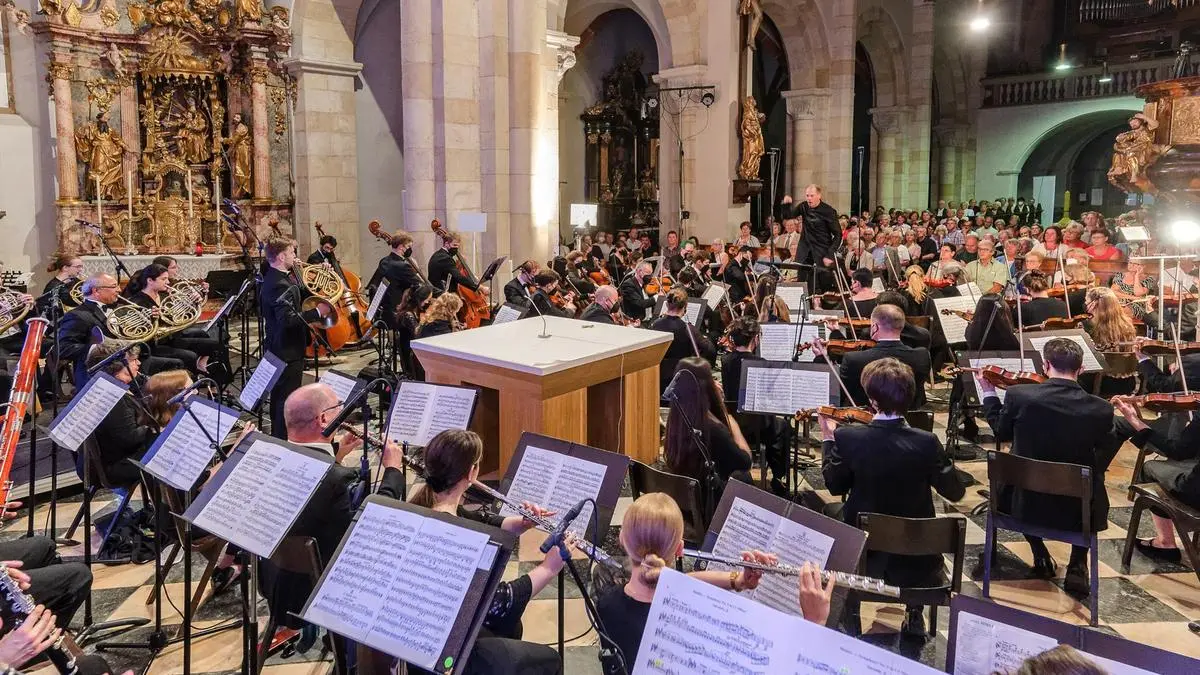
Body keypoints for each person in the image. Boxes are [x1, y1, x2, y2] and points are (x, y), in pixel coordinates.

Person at [594, 492, 832, 672]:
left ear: (622, 539)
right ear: (680, 549)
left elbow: (683, 582)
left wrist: (739, 580)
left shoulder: (606, 604)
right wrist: (815, 623)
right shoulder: (694, 616)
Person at [820, 358, 964, 637]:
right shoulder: (926, 442)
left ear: (872, 401)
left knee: (831, 511)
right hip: (918, 555)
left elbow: (834, 484)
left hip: (866, 555)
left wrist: (828, 439)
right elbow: (955, 491)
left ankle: (848, 611)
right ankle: (915, 610)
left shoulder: (849, 437)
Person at [979, 338, 1122, 597]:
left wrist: (989, 393)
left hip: (1023, 501)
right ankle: (1078, 564)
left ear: (1045, 365)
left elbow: (1001, 430)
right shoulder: (1100, 409)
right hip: (1075, 507)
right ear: (1081, 369)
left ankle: (1040, 554)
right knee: (1092, 477)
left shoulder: (1020, 395)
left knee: (1016, 471)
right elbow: (1105, 450)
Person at [257, 384, 389, 637]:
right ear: (324, 419)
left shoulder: (269, 459)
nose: (343, 412)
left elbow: (309, 500)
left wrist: (336, 456)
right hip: (315, 595)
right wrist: (392, 472)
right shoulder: (337, 480)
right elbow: (362, 538)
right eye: (339, 407)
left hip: (273, 583)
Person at [259, 237, 332, 440]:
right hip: (287, 350)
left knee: (280, 398)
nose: (295, 256)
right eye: (292, 252)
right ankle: (282, 440)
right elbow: (288, 320)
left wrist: (321, 273)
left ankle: (279, 437)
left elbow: (300, 294)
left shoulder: (276, 276)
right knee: (285, 400)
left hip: (280, 347)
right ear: (282, 257)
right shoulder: (279, 284)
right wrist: (317, 312)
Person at [1112, 396, 1200, 563]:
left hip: (1195, 494)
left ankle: (1165, 543)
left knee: (1149, 468)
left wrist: (1135, 421)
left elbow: (1178, 451)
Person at [57, 274, 182, 386]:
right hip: (102, 371)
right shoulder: (77, 315)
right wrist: (102, 348)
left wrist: (150, 320)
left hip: (130, 362)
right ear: (96, 291)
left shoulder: (120, 309)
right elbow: (64, 348)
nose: (119, 290)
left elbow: (134, 335)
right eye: (113, 286)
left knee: (176, 366)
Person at [720, 316, 789, 496]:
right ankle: (778, 476)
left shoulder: (726, 361)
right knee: (783, 426)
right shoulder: (761, 363)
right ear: (755, 338)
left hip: (733, 423)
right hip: (757, 427)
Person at [814, 304, 931, 409]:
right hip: (911, 420)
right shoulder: (922, 355)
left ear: (875, 327)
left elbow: (840, 393)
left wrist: (821, 358)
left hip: (864, 421)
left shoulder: (853, 359)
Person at [664, 357, 752, 498]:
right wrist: (728, 416)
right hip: (709, 499)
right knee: (744, 477)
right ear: (708, 386)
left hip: (684, 495)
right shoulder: (713, 430)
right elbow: (746, 462)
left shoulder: (676, 418)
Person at [81, 342, 155, 485]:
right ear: (116, 367)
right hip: (118, 465)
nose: (139, 363)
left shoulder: (107, 387)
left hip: (118, 457)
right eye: (133, 360)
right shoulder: (112, 397)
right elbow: (129, 438)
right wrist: (155, 426)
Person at [650, 289, 716, 393]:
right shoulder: (688, 329)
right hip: (681, 377)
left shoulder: (655, 325)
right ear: (685, 306)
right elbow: (710, 350)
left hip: (658, 377)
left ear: (666, 304)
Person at [781, 185, 840, 292]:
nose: (809, 198)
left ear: (819, 196)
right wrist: (786, 205)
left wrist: (830, 254)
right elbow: (788, 216)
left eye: (812, 196)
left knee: (821, 284)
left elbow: (838, 235)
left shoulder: (829, 211)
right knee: (802, 283)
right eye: (807, 195)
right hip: (805, 251)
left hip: (821, 251)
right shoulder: (803, 206)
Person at [372, 231, 426, 328]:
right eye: (408, 246)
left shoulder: (384, 261)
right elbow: (420, 285)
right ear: (401, 247)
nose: (410, 250)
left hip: (384, 310)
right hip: (398, 311)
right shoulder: (402, 266)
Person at [427, 229, 489, 303]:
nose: (456, 248)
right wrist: (480, 287)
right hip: (442, 297)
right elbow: (459, 277)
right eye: (454, 245)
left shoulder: (439, 255)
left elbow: (448, 273)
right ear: (446, 243)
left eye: (457, 246)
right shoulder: (444, 258)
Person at [1083, 286, 1135, 352]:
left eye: (1086, 301)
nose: (1085, 303)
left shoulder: (1086, 326)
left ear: (1093, 305)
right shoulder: (1127, 324)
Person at [1111, 258, 1158, 324]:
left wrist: (1136, 276)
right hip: (1119, 303)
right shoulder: (1120, 275)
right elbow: (1113, 292)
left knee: (1119, 311)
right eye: (1130, 263)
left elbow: (1138, 293)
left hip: (1136, 305)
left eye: (1135, 264)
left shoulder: (1148, 279)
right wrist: (1133, 297)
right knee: (1111, 308)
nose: (1131, 265)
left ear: (1143, 266)